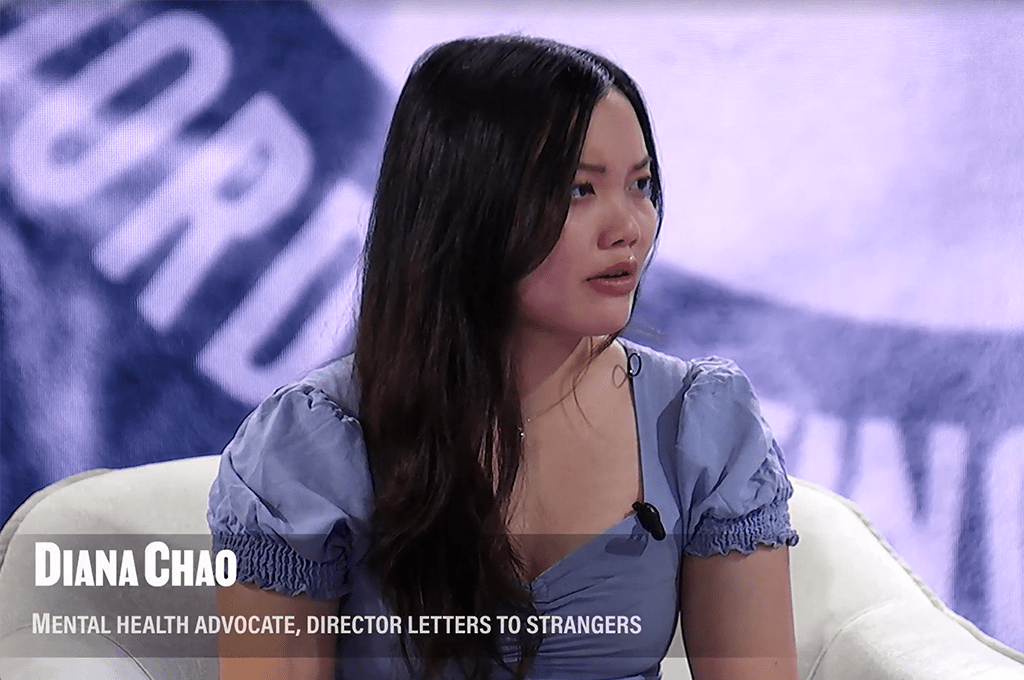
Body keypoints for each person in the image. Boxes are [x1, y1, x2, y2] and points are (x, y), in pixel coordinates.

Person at [208, 35, 801, 680]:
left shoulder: (701, 426)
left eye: (641, 185)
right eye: (580, 190)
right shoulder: (311, 450)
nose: (629, 226)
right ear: (466, 208)